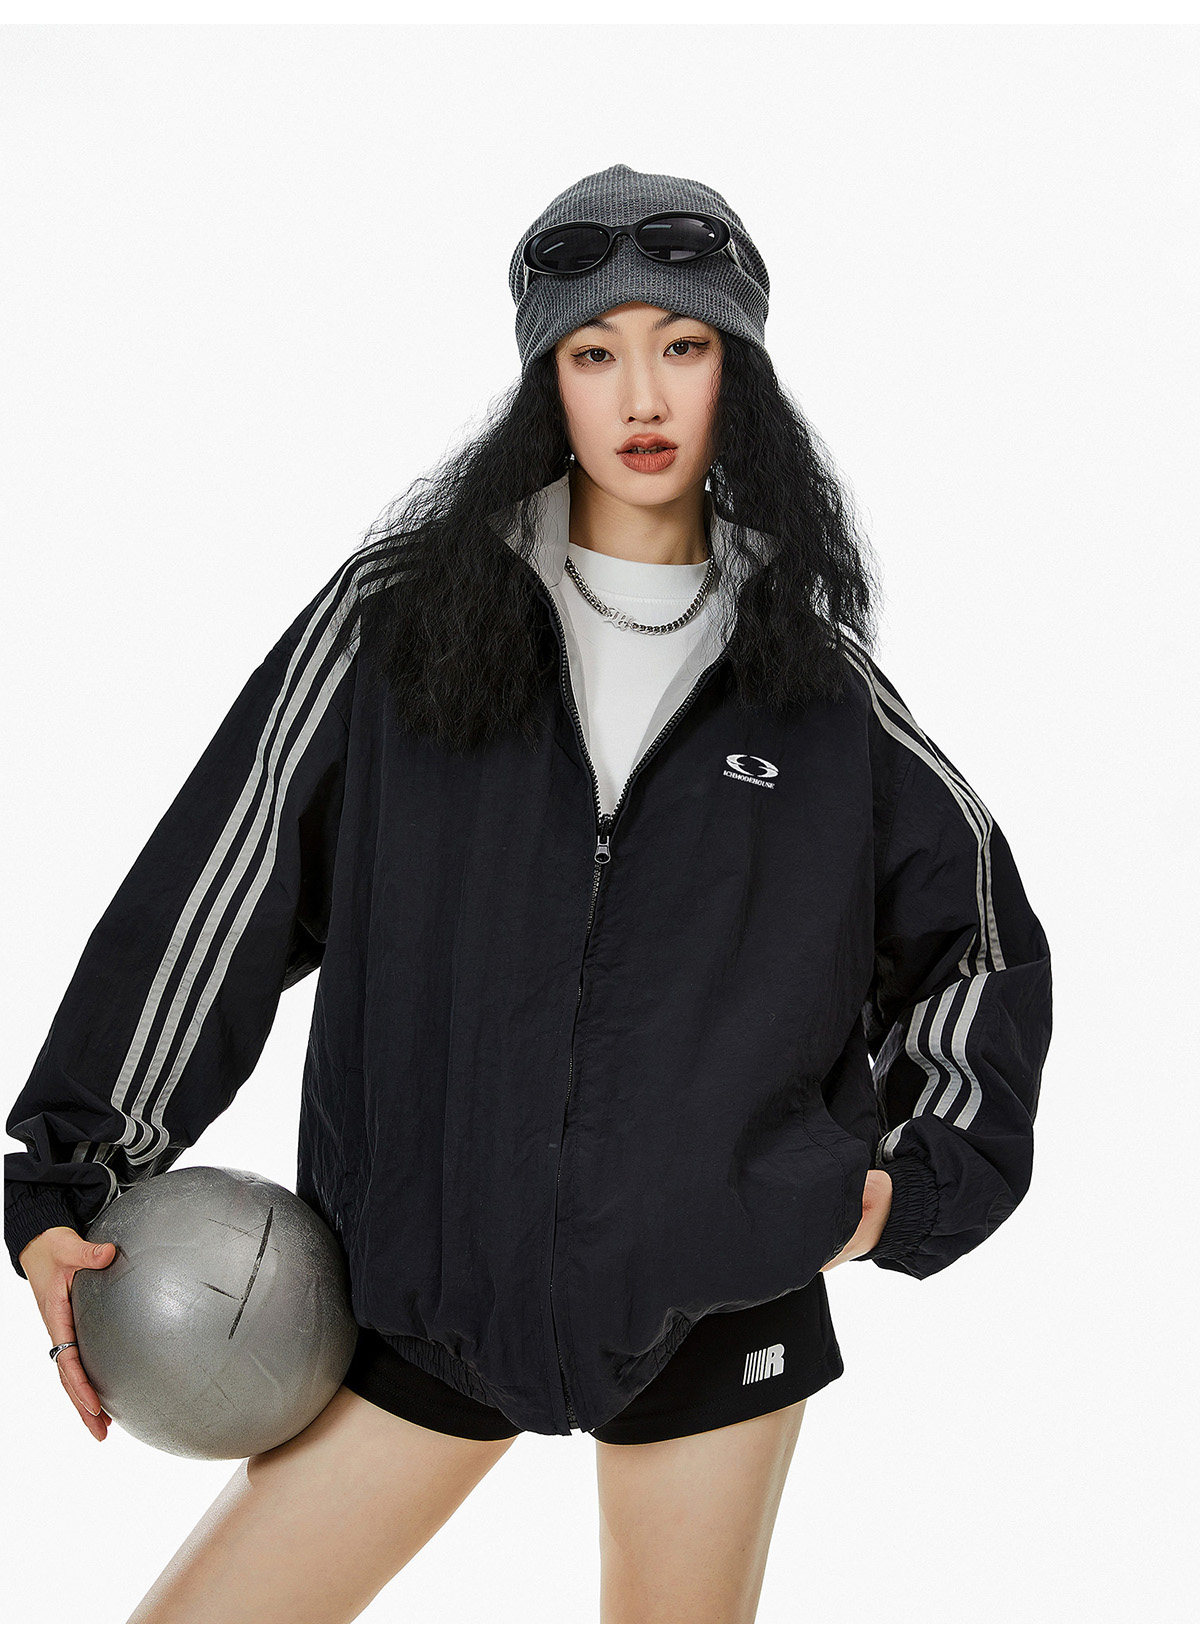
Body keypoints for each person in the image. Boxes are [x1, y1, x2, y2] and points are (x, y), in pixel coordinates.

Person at [5, 163, 1053, 1624]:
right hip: (423, 1286)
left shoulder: (812, 682)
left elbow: (977, 935)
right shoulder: (399, 621)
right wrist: (73, 1166)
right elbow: (222, 890)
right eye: (594, 352)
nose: (644, 395)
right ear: (544, 380)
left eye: (683, 346)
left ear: (739, 374)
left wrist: (901, 1185)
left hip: (719, 1293)